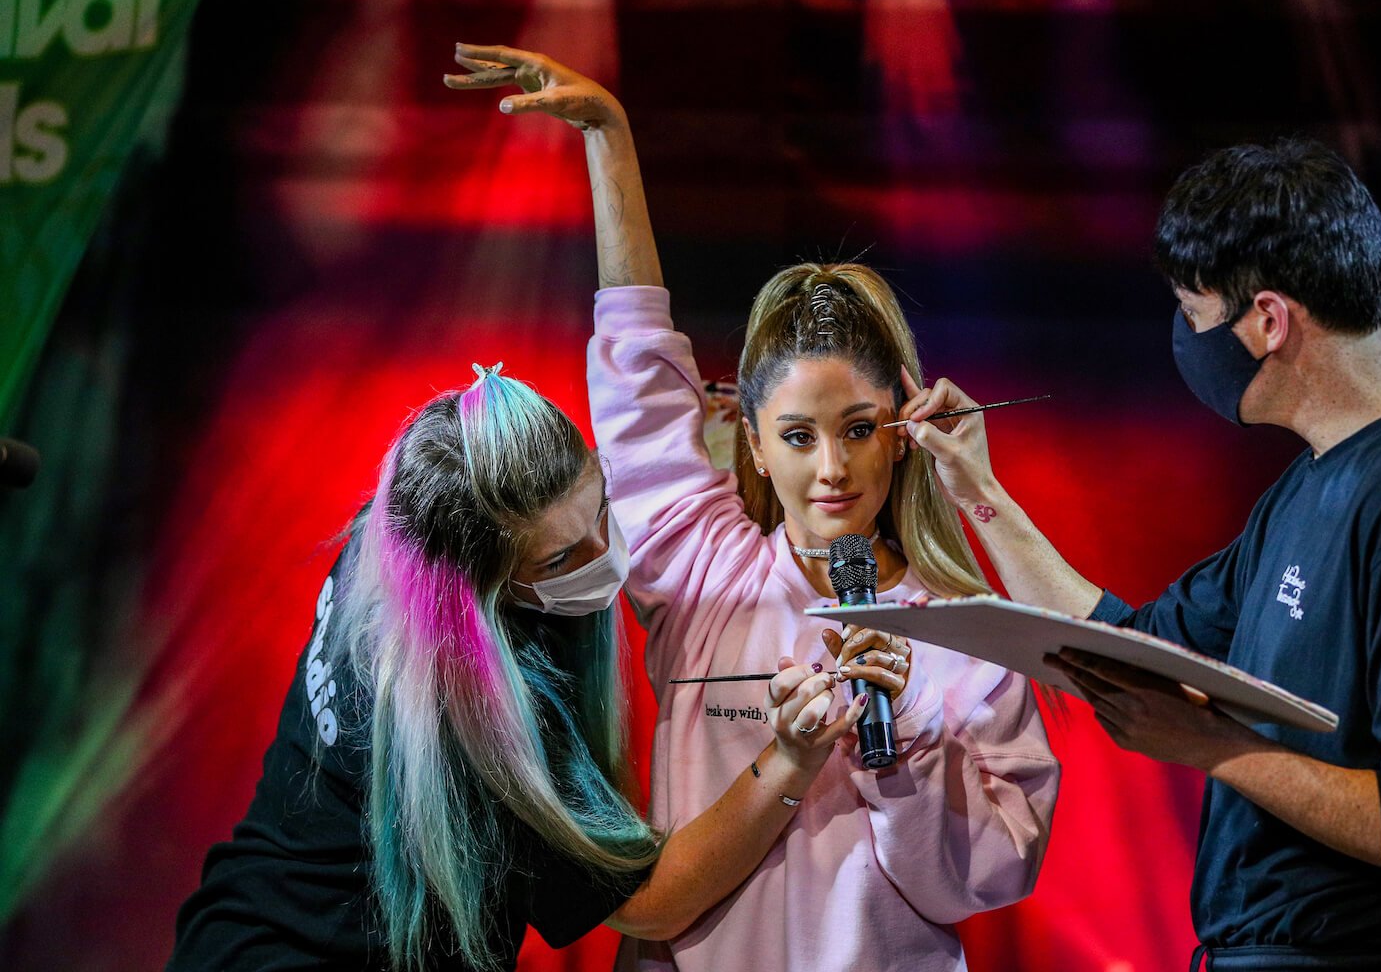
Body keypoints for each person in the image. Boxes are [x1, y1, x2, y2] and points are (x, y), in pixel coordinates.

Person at [444, 45, 1061, 971]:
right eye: (799, 436)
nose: (833, 468)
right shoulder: (704, 576)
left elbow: (984, 879)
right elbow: (639, 382)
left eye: (858, 428)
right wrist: (609, 141)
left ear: (900, 426)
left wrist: (904, 752)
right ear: (753, 444)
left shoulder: (971, 635)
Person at [895, 140, 1381, 969]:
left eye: (1196, 316)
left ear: (1267, 320)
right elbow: (1131, 645)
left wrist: (1210, 746)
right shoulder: (1314, 486)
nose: (1188, 343)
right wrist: (974, 486)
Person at [167, 253, 868, 969]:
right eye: (559, 561)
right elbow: (648, 901)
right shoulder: (479, 711)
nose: (604, 554)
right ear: (480, 588)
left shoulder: (399, 527)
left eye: (600, 506)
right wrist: (787, 760)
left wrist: (711, 450)